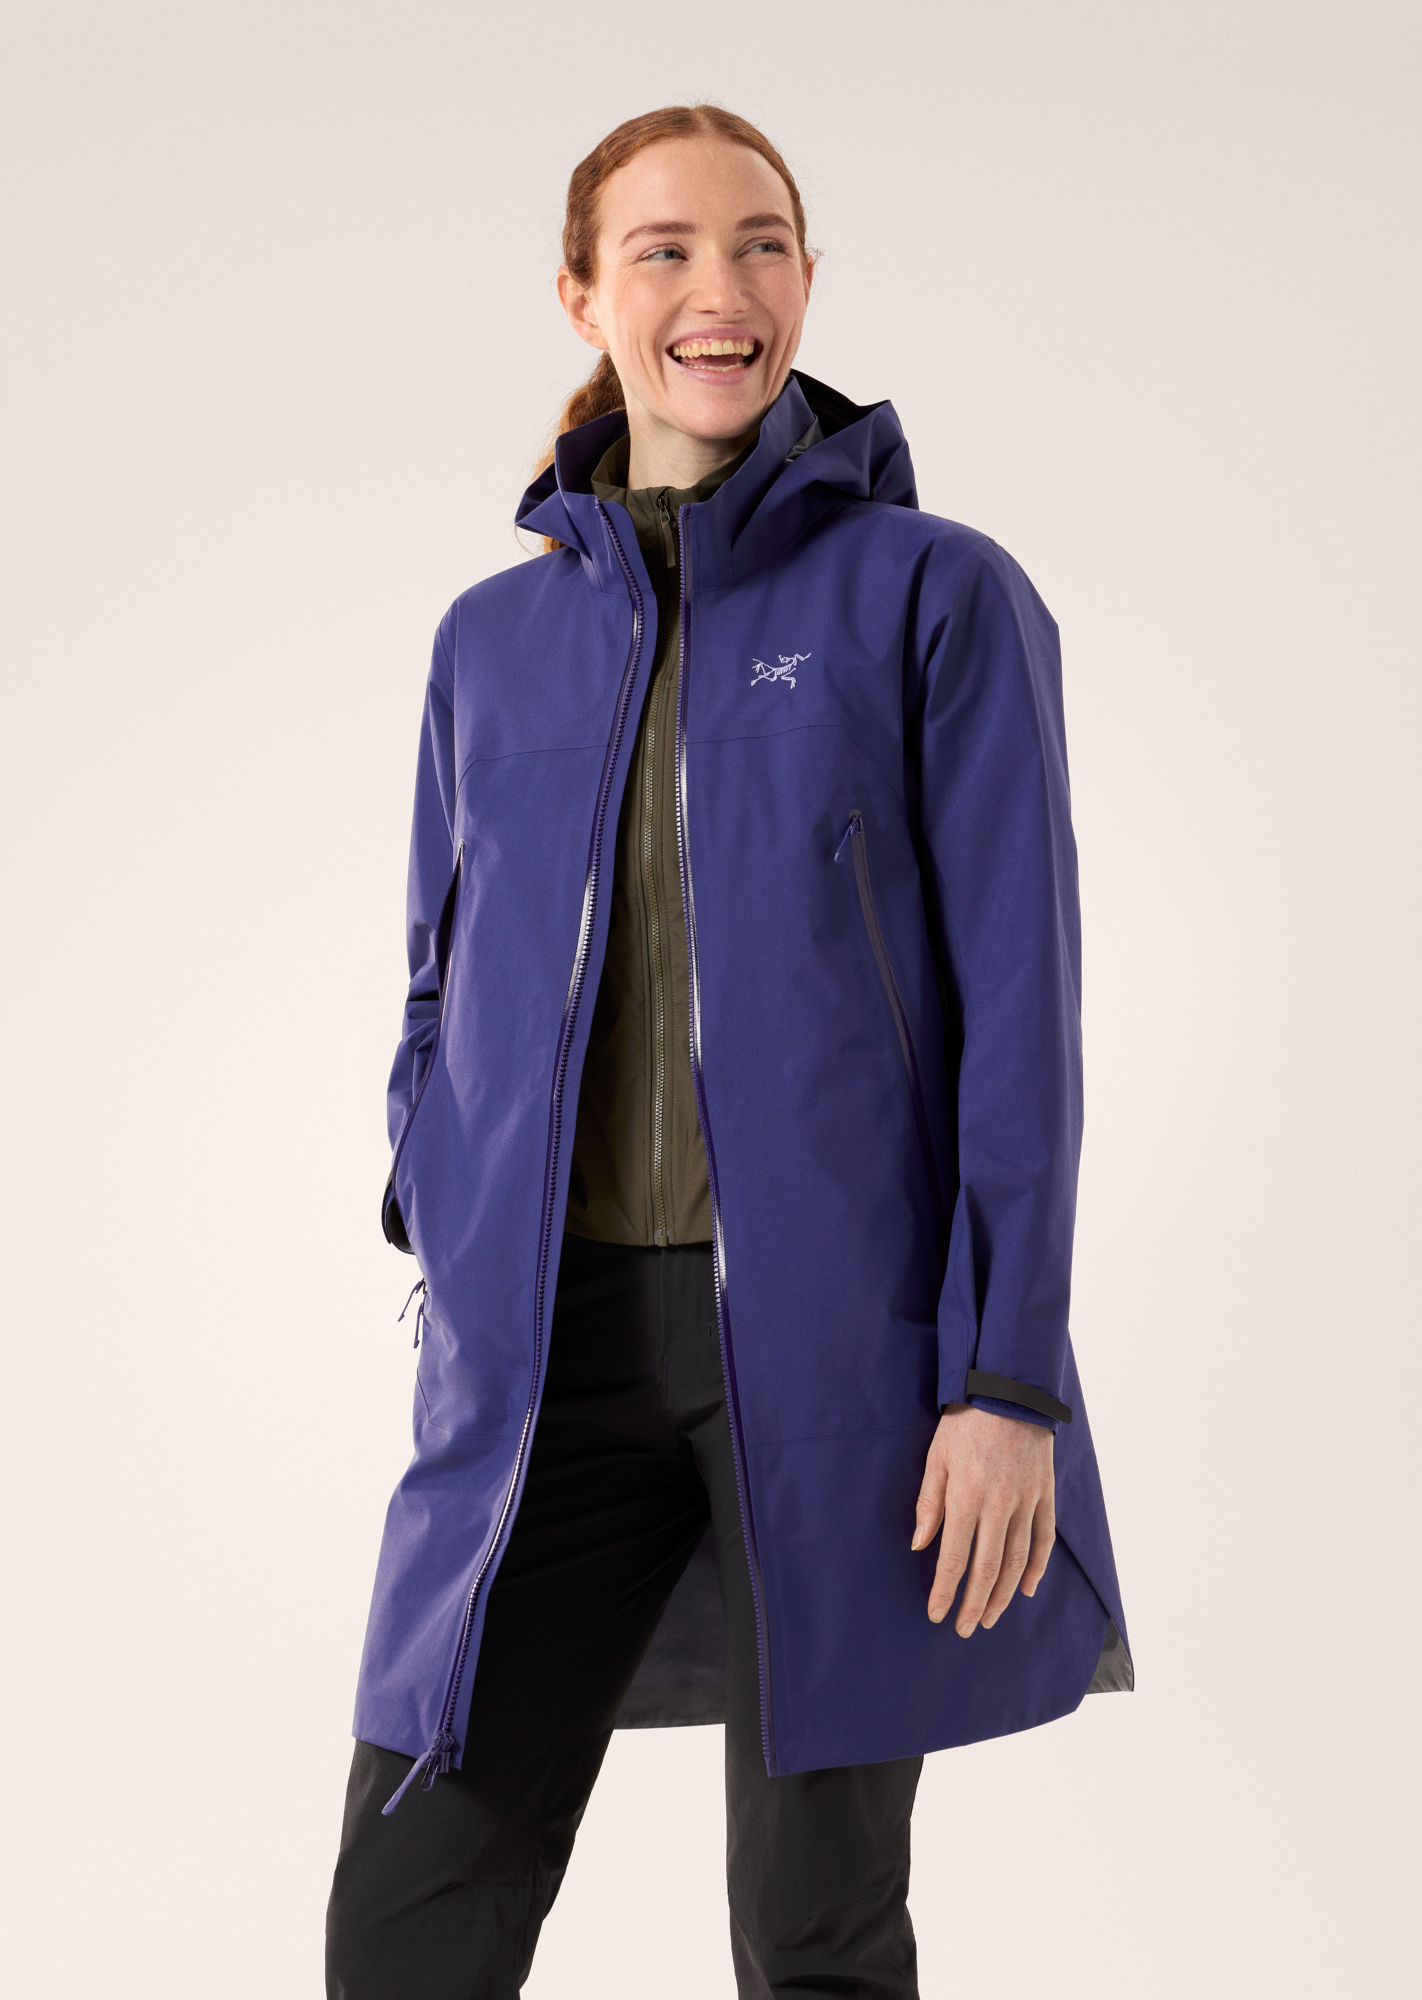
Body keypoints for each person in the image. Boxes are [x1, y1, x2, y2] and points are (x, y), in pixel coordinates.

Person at [325, 103, 1132, 2000]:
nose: (723, 288)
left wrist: (1006, 1382)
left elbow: (1022, 1010)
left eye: (763, 243)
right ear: (583, 295)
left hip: (847, 1359)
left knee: (814, 1928)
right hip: (545, 1363)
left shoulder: (936, 595)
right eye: (668, 249)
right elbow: (439, 977)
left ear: (808, 281)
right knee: (406, 1917)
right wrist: (438, 1205)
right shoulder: (489, 640)